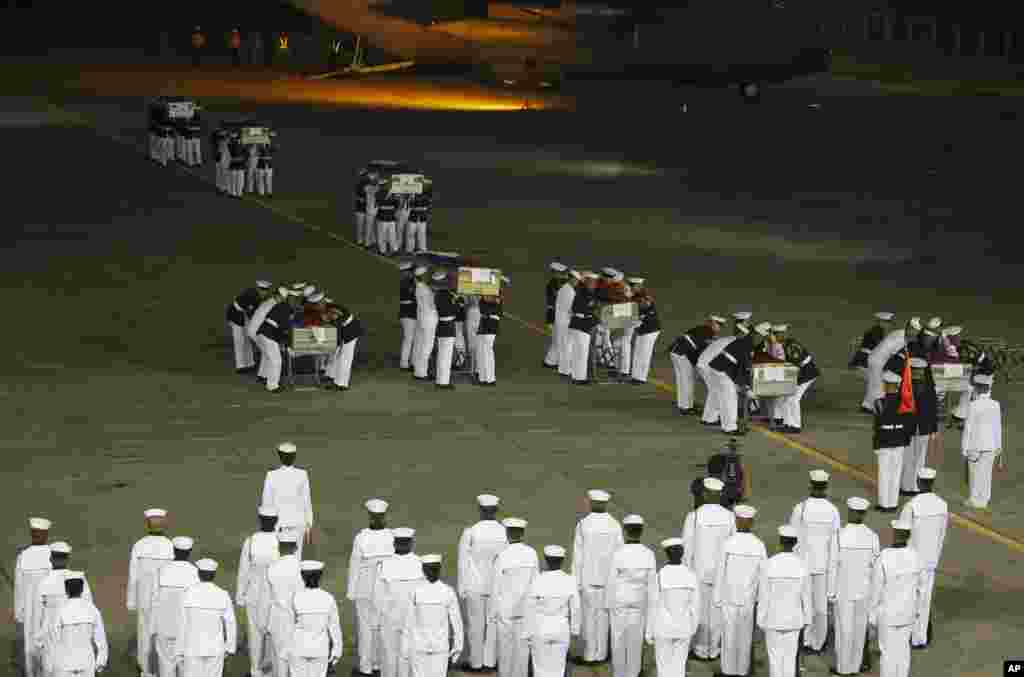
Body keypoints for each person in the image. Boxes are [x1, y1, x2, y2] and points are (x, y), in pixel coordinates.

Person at [681, 478, 736, 662]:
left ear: (705, 494)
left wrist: (686, 572)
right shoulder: (730, 517)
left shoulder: (694, 516)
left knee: (699, 610)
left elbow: (687, 549)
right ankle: (714, 647)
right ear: (720, 495)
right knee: (718, 611)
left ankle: (700, 647)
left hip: (699, 570)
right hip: (722, 572)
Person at [788, 470, 840, 655]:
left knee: (804, 604)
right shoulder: (833, 511)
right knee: (821, 608)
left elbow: (792, 538)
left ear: (810, 486)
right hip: (824, 566)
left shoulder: (800, 508)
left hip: (804, 563)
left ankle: (807, 639)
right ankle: (819, 641)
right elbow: (835, 544)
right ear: (826, 487)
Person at [827, 497, 879, 676]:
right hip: (864, 591)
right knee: (859, 631)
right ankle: (855, 667)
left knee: (844, 631)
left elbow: (832, 565)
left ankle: (843, 668)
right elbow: (875, 568)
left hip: (844, 591)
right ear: (864, 514)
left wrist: (831, 592)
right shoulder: (872, 537)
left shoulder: (839, 536)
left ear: (849, 512)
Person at [712, 504, 766, 677]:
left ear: (737, 521)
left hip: (729, 598)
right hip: (748, 601)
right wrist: (759, 599)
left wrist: (717, 598)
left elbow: (720, 572)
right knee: (745, 638)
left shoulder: (728, 543)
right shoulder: (759, 546)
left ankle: (728, 670)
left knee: (728, 637)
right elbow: (762, 576)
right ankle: (742, 671)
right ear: (752, 522)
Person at [570, 490, 622, 664]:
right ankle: (602, 652)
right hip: (608, 579)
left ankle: (590, 652)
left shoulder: (583, 525)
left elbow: (578, 556)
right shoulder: (615, 525)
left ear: (591, 503)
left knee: (589, 618)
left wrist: (575, 580)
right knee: (604, 617)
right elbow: (619, 554)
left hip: (588, 577)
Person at [898, 468, 947, 649]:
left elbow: (902, 534)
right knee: (925, 600)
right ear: (932, 483)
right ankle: (920, 638)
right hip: (930, 561)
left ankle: (908, 634)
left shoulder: (912, 506)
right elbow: (941, 535)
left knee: (908, 598)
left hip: (911, 561)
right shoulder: (942, 505)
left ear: (919, 482)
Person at [457, 494, 506, 671]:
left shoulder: (471, 532)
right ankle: (490, 662)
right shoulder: (503, 532)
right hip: (497, 587)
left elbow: (463, 562)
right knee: (493, 624)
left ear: (480, 510)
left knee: (475, 626)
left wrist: (462, 587)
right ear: (496, 510)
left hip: (474, 586)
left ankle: (476, 663)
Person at [869, 522, 923, 677]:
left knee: (887, 654)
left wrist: (872, 616)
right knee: (903, 652)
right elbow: (921, 587)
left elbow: (876, 590)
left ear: (894, 533)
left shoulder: (884, 557)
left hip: (888, 614)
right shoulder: (916, 556)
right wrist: (918, 610)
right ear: (909, 536)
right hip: (908, 613)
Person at [605, 515, 656, 677]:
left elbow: (611, 581)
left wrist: (608, 605)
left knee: (618, 639)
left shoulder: (618, 553)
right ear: (641, 531)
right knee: (635, 640)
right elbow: (651, 584)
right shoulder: (648, 554)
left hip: (619, 600)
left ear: (626, 531)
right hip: (639, 601)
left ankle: (619, 673)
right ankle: (633, 673)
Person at [757, 526, 811, 677]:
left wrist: (761, 619)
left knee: (774, 660)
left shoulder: (769, 564)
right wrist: (807, 619)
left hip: (773, 619)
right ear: (795, 543)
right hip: (794, 620)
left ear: (780, 542)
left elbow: (764, 595)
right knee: (790, 659)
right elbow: (806, 596)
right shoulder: (802, 565)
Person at [347, 499, 394, 675]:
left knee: (366, 628)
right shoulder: (392, 536)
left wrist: (351, 591)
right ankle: (380, 665)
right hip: (386, 588)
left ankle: (366, 667)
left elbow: (355, 565)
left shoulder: (361, 537)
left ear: (370, 516)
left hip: (364, 589)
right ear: (384, 517)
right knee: (383, 627)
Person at [34, 543, 94, 677]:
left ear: (50, 559)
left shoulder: (44, 583)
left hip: (51, 642)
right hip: (78, 642)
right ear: (67, 559)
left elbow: (38, 617)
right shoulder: (79, 579)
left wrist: (38, 642)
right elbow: (90, 609)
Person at [491, 518, 539, 677]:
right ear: (522, 533)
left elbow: (495, 588)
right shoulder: (532, 554)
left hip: (506, 612)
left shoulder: (502, 556)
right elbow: (536, 584)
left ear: (507, 533)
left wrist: (492, 615)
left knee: (505, 653)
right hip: (526, 611)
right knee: (523, 653)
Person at [129, 509, 174, 677]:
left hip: (144, 599)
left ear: (147, 524)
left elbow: (133, 577)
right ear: (164, 524)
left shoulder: (139, 545)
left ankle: (147, 671)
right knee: (164, 635)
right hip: (165, 600)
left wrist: (132, 601)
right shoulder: (171, 546)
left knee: (144, 635)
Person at [523, 545, 580, 677]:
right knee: (558, 668)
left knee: (540, 668)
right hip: (561, 628)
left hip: (540, 627)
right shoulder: (570, 580)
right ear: (563, 560)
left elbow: (529, 607)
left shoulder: (537, 579)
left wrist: (526, 633)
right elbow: (576, 608)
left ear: (546, 560)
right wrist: (575, 631)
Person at [374, 528, 425, 677]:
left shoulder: (384, 565)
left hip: (390, 617)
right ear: (412, 543)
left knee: (389, 655)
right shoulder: (420, 563)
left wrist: (378, 619)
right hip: (412, 618)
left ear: (394, 543)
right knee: (410, 655)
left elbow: (377, 596)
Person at [402, 555, 463, 677]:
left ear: (423, 570)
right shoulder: (448, 591)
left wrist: (405, 648)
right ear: (439, 569)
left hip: (419, 646)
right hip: (439, 647)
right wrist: (458, 647)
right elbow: (457, 623)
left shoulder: (415, 592)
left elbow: (408, 623)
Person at [646, 537, 700, 677]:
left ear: (667, 554)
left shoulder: (659, 576)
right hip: (684, 627)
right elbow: (696, 606)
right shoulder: (691, 576)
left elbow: (653, 605)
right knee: (679, 667)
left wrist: (649, 632)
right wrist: (692, 627)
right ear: (682, 553)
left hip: (663, 628)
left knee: (663, 668)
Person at [237, 506, 280, 677]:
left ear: (260, 520)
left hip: (253, 596)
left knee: (254, 636)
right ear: (276, 521)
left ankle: (255, 670)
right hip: (275, 596)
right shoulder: (281, 541)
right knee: (272, 635)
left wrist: (240, 597)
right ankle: (269, 671)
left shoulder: (251, 541)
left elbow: (243, 571)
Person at [176, 559, 236, 677]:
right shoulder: (222, 594)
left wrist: (179, 649)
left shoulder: (187, 593)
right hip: (215, 648)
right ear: (214, 575)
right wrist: (229, 647)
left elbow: (182, 623)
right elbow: (230, 623)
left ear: (198, 574)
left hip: (192, 647)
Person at [710, 322, 770, 435]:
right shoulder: (748, 344)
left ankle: (726, 425)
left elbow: (739, 366)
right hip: (722, 370)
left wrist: (741, 384)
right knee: (730, 399)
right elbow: (744, 368)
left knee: (725, 399)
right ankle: (730, 428)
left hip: (718, 367)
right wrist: (747, 387)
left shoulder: (746, 340)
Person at [151, 536, 199, 677]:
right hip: (186, 630)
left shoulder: (161, 571)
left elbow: (154, 601)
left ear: (173, 550)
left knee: (166, 666)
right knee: (186, 667)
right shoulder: (195, 573)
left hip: (164, 627)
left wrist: (153, 628)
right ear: (189, 551)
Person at [46, 571, 107, 677]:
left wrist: (50, 664)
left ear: (66, 590)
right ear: (82, 589)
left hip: (64, 663)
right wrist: (101, 661)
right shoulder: (92, 610)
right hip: (87, 662)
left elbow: (53, 639)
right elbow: (101, 639)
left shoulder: (60, 611)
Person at [290, 561, 343, 677]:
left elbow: (289, 626)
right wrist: (337, 649)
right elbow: (334, 626)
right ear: (320, 576)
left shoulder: (295, 597)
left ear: (302, 576)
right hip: (320, 648)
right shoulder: (328, 598)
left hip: (298, 647)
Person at [261, 442, 314, 557]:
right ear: (294, 457)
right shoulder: (302, 474)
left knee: (276, 558)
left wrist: (266, 526)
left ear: (279, 456)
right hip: (298, 524)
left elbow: (266, 502)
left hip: (277, 525)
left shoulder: (271, 475)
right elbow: (307, 501)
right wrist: (309, 524)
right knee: (297, 558)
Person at [262, 532, 302, 677]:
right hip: (298, 619)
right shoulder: (301, 568)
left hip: (277, 618)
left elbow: (267, 599)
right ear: (296, 547)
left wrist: (265, 624)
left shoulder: (272, 568)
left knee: (279, 660)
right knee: (297, 661)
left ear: (279, 547)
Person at [16, 517, 52, 676]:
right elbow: (19, 587)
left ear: (45, 534)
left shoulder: (25, 556)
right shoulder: (24, 556)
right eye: (34, 533)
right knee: (32, 646)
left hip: (45, 609)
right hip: (37, 610)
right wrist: (20, 611)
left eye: (38, 533)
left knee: (44, 645)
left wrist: (20, 612)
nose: (36, 535)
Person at [669, 315, 725, 416]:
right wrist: (699, 370)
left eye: (720, 325)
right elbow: (699, 353)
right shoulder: (707, 332)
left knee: (682, 380)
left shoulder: (702, 329)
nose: (719, 328)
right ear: (712, 323)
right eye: (718, 325)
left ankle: (684, 405)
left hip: (676, 352)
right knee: (687, 380)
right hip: (682, 355)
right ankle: (686, 407)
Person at [873, 371, 913, 512]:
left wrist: (876, 445)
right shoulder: (905, 403)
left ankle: (884, 503)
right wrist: (905, 441)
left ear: (885, 386)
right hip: (900, 443)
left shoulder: (879, 403)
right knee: (896, 473)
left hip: (884, 442)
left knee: (884, 474)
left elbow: (877, 427)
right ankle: (893, 503)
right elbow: (909, 425)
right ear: (897, 386)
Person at [697, 318, 748, 427]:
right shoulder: (737, 344)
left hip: (704, 363)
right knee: (724, 393)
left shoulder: (729, 339)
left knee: (715, 391)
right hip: (709, 366)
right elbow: (733, 365)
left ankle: (709, 418)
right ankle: (725, 423)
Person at [961, 373, 1001, 509]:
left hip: (975, 445)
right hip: (990, 445)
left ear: (977, 389)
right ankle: (984, 499)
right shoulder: (996, 404)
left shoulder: (973, 405)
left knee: (974, 473)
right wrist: (999, 445)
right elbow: (998, 427)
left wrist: (964, 447)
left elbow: (968, 428)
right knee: (986, 473)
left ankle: (974, 499)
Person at [864, 317, 920, 414]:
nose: (915, 333)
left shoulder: (900, 333)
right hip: (879, 360)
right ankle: (878, 410)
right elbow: (897, 356)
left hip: (875, 358)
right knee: (879, 385)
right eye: (914, 330)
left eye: (916, 331)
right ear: (909, 328)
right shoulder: (899, 339)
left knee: (873, 383)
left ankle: (867, 406)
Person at [774, 324, 820, 433]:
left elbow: (798, 365)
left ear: (781, 335)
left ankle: (795, 426)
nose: (773, 337)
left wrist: (792, 382)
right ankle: (787, 423)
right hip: (796, 373)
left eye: (776, 334)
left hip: (806, 373)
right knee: (785, 398)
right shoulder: (782, 344)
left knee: (792, 399)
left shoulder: (791, 346)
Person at [257, 289, 299, 393]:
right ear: (291, 299)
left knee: (272, 359)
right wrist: (289, 345)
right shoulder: (287, 308)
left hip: (265, 332)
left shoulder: (282, 306)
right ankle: (272, 386)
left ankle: (269, 380)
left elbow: (281, 327)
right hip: (269, 334)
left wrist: (285, 342)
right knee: (276, 361)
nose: (296, 302)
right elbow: (285, 328)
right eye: (295, 300)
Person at [227, 281, 271, 373]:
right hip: (236, 315)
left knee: (247, 339)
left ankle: (250, 364)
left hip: (245, 315)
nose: (264, 292)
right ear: (258, 289)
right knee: (239, 340)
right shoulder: (250, 296)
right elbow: (252, 314)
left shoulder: (261, 297)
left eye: (266, 290)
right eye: (262, 290)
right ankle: (240, 366)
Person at [568, 273, 600, 385]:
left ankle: (577, 376)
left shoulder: (589, 292)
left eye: (595, 282)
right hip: (582, 324)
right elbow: (579, 308)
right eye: (591, 281)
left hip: (583, 324)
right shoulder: (582, 292)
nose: (594, 284)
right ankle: (579, 378)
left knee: (579, 352)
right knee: (581, 353)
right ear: (586, 281)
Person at [324, 303, 363, 391]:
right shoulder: (327, 307)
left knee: (345, 359)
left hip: (351, 332)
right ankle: (334, 379)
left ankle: (342, 384)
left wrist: (336, 345)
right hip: (343, 331)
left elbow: (337, 327)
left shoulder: (333, 310)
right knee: (337, 357)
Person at [628, 278, 660, 384]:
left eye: (633, 286)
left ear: (639, 286)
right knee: (638, 352)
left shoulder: (645, 296)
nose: (632, 288)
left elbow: (642, 310)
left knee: (644, 353)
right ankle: (635, 376)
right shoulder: (635, 296)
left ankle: (641, 378)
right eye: (631, 286)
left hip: (651, 329)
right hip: (642, 328)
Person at [850, 313, 895, 387]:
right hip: (865, 361)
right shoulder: (877, 331)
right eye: (887, 322)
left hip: (863, 360)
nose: (889, 325)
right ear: (880, 322)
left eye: (889, 322)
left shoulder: (875, 330)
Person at [706, 437, 751, 509]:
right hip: (732, 490)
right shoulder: (737, 461)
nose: (733, 450)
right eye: (732, 448)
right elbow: (743, 479)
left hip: (730, 489)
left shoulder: (735, 461)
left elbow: (743, 479)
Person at [475, 281, 504, 387]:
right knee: (482, 352)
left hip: (491, 325)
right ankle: (482, 378)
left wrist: (494, 300)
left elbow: (495, 310)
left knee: (487, 352)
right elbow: (483, 308)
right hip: (483, 325)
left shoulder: (497, 296)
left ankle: (490, 379)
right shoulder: (486, 297)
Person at [433, 272, 458, 389]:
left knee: (441, 355)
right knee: (446, 356)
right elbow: (453, 311)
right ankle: (443, 382)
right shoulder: (447, 295)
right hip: (448, 326)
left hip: (441, 325)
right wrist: (457, 303)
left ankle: (440, 380)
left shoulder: (437, 294)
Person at [413, 266, 438, 381]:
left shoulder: (419, 287)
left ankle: (419, 370)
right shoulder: (425, 289)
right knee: (427, 346)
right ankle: (422, 373)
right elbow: (433, 305)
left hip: (422, 318)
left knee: (421, 345)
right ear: (422, 276)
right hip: (429, 319)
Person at [556, 271, 580, 380]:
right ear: (571, 279)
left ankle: (563, 370)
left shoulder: (565, 288)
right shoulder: (569, 291)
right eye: (576, 280)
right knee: (567, 347)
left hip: (561, 322)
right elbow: (571, 309)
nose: (577, 282)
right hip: (566, 323)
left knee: (563, 346)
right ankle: (566, 371)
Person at [543, 262, 568, 369]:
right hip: (556, 316)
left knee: (557, 340)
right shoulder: (554, 284)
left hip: (557, 315)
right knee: (559, 340)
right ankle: (551, 361)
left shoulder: (556, 283)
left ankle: (550, 361)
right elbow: (553, 304)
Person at [395, 262, 418, 371]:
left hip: (408, 314)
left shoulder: (408, 282)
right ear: (407, 272)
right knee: (409, 339)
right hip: (408, 314)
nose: (413, 273)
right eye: (411, 271)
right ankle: (404, 364)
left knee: (411, 339)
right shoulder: (406, 283)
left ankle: (411, 362)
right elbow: (411, 299)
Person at [355, 172, 371, 246]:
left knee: (366, 227)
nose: (365, 177)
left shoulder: (369, 185)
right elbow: (359, 197)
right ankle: (360, 241)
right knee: (361, 226)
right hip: (361, 209)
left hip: (367, 209)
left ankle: (365, 241)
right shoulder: (359, 185)